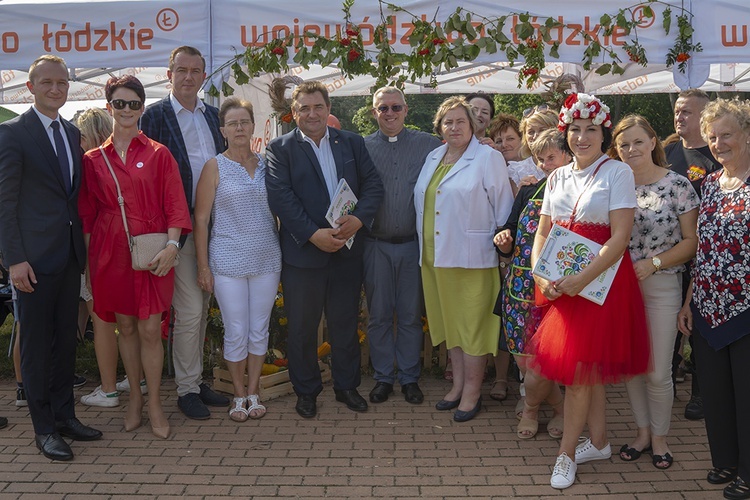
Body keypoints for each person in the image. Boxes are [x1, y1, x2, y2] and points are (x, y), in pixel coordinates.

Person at [530, 93, 650, 489]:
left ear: (603, 132)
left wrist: (582, 280)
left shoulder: (617, 173)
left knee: (580, 372)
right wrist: (538, 273)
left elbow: (619, 238)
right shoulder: (557, 176)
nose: (582, 138)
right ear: (566, 133)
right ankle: (598, 441)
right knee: (586, 367)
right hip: (562, 284)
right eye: (575, 130)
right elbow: (543, 231)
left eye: (590, 130)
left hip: (601, 283)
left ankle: (566, 454)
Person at [0, 55, 102, 461]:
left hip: (68, 257)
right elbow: (5, 203)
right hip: (33, 263)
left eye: (62, 82)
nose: (56, 89)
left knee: (65, 344)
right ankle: (44, 429)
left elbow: (70, 197)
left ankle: (65, 417)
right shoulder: (13, 134)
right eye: (47, 83)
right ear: (31, 87)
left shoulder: (72, 132)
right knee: (37, 347)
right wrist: (14, 259)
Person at [79, 75, 192, 439]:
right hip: (109, 252)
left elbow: (176, 204)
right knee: (124, 326)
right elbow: (87, 215)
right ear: (108, 105)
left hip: (154, 250)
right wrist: (87, 266)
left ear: (142, 108)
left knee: (149, 329)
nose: (126, 110)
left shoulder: (159, 153)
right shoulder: (93, 160)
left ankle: (156, 402)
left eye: (133, 104)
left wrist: (173, 248)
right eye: (119, 103)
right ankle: (134, 401)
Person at [265, 81, 384, 419]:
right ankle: (307, 391)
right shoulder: (280, 148)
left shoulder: (351, 142)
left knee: (345, 323)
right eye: (304, 108)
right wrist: (312, 234)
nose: (312, 113)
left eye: (318, 107)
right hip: (304, 254)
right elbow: (281, 198)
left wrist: (359, 219)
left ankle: (347, 387)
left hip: (347, 251)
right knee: (302, 328)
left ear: (328, 108)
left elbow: (373, 185)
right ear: (294, 112)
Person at [140, 46, 229, 420]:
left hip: (216, 226)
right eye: (182, 70)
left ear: (204, 76)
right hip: (179, 229)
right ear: (169, 73)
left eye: (196, 71)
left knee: (203, 309)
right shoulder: (154, 117)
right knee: (190, 311)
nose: (188, 77)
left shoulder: (214, 115)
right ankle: (188, 389)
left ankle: (195, 379)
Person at [414, 96, 513, 423]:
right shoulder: (433, 156)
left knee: (472, 326)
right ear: (439, 127)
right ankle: (457, 387)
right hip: (434, 257)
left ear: (473, 125)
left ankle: (472, 394)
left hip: (473, 257)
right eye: (448, 121)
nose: (454, 127)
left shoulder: (487, 157)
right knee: (450, 324)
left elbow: (504, 208)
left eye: (460, 121)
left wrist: (504, 251)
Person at [609, 115, 698, 469]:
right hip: (621, 290)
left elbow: (692, 242)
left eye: (637, 141)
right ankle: (642, 433)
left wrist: (655, 264)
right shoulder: (613, 186)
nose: (631, 149)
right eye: (623, 144)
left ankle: (661, 438)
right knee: (633, 367)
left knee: (658, 370)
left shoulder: (677, 185)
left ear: (652, 142)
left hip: (662, 286)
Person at [677, 98, 750, 500]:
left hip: (746, 308)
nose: (719, 143)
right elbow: (702, 249)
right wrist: (689, 301)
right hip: (707, 306)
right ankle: (725, 461)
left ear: (747, 134)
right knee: (718, 393)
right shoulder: (708, 185)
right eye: (712, 137)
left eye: (727, 135)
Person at [194, 98, 282, 422]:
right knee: (235, 330)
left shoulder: (267, 164)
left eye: (244, 121)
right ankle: (238, 394)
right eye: (233, 123)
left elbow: (279, 211)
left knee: (259, 329)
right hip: (227, 261)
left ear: (253, 126)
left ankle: (254, 391)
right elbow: (201, 220)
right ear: (223, 130)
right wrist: (203, 267)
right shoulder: (213, 167)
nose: (240, 128)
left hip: (267, 259)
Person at [363, 86, 442, 405]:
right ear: (374, 113)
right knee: (379, 314)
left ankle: (409, 378)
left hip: (412, 244)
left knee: (410, 315)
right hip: (375, 244)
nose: (390, 113)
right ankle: (383, 377)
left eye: (396, 108)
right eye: (383, 109)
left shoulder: (429, 144)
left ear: (407, 110)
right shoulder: (362, 146)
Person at [494, 129, 570, 439]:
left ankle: (531, 409)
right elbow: (509, 232)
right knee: (525, 364)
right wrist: (503, 240)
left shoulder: (579, 194)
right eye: (540, 159)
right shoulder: (528, 191)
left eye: (551, 157)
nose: (546, 164)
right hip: (520, 286)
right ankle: (559, 407)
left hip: (557, 289)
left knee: (547, 362)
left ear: (568, 156)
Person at [664, 88, 721, 422]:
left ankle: (700, 391)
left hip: (705, 258)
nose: (679, 116)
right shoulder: (667, 152)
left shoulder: (716, 158)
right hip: (668, 257)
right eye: (678, 111)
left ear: (705, 115)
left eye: (687, 111)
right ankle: (667, 383)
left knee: (698, 328)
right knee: (670, 324)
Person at [73, 107, 124, 408]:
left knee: (102, 320)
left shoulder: (88, 163)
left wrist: (88, 262)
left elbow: (86, 215)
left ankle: (108, 390)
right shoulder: (121, 158)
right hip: (127, 247)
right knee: (130, 321)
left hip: (99, 249)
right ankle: (137, 378)